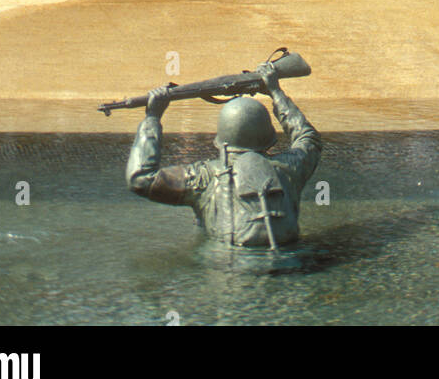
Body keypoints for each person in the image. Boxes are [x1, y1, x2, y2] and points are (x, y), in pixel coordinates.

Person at [126, 59, 321, 248]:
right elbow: (308, 137)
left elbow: (140, 178)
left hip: (227, 271)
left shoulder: (203, 177)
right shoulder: (291, 168)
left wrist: (152, 117)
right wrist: (275, 92)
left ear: (222, 140)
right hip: (290, 266)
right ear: (268, 137)